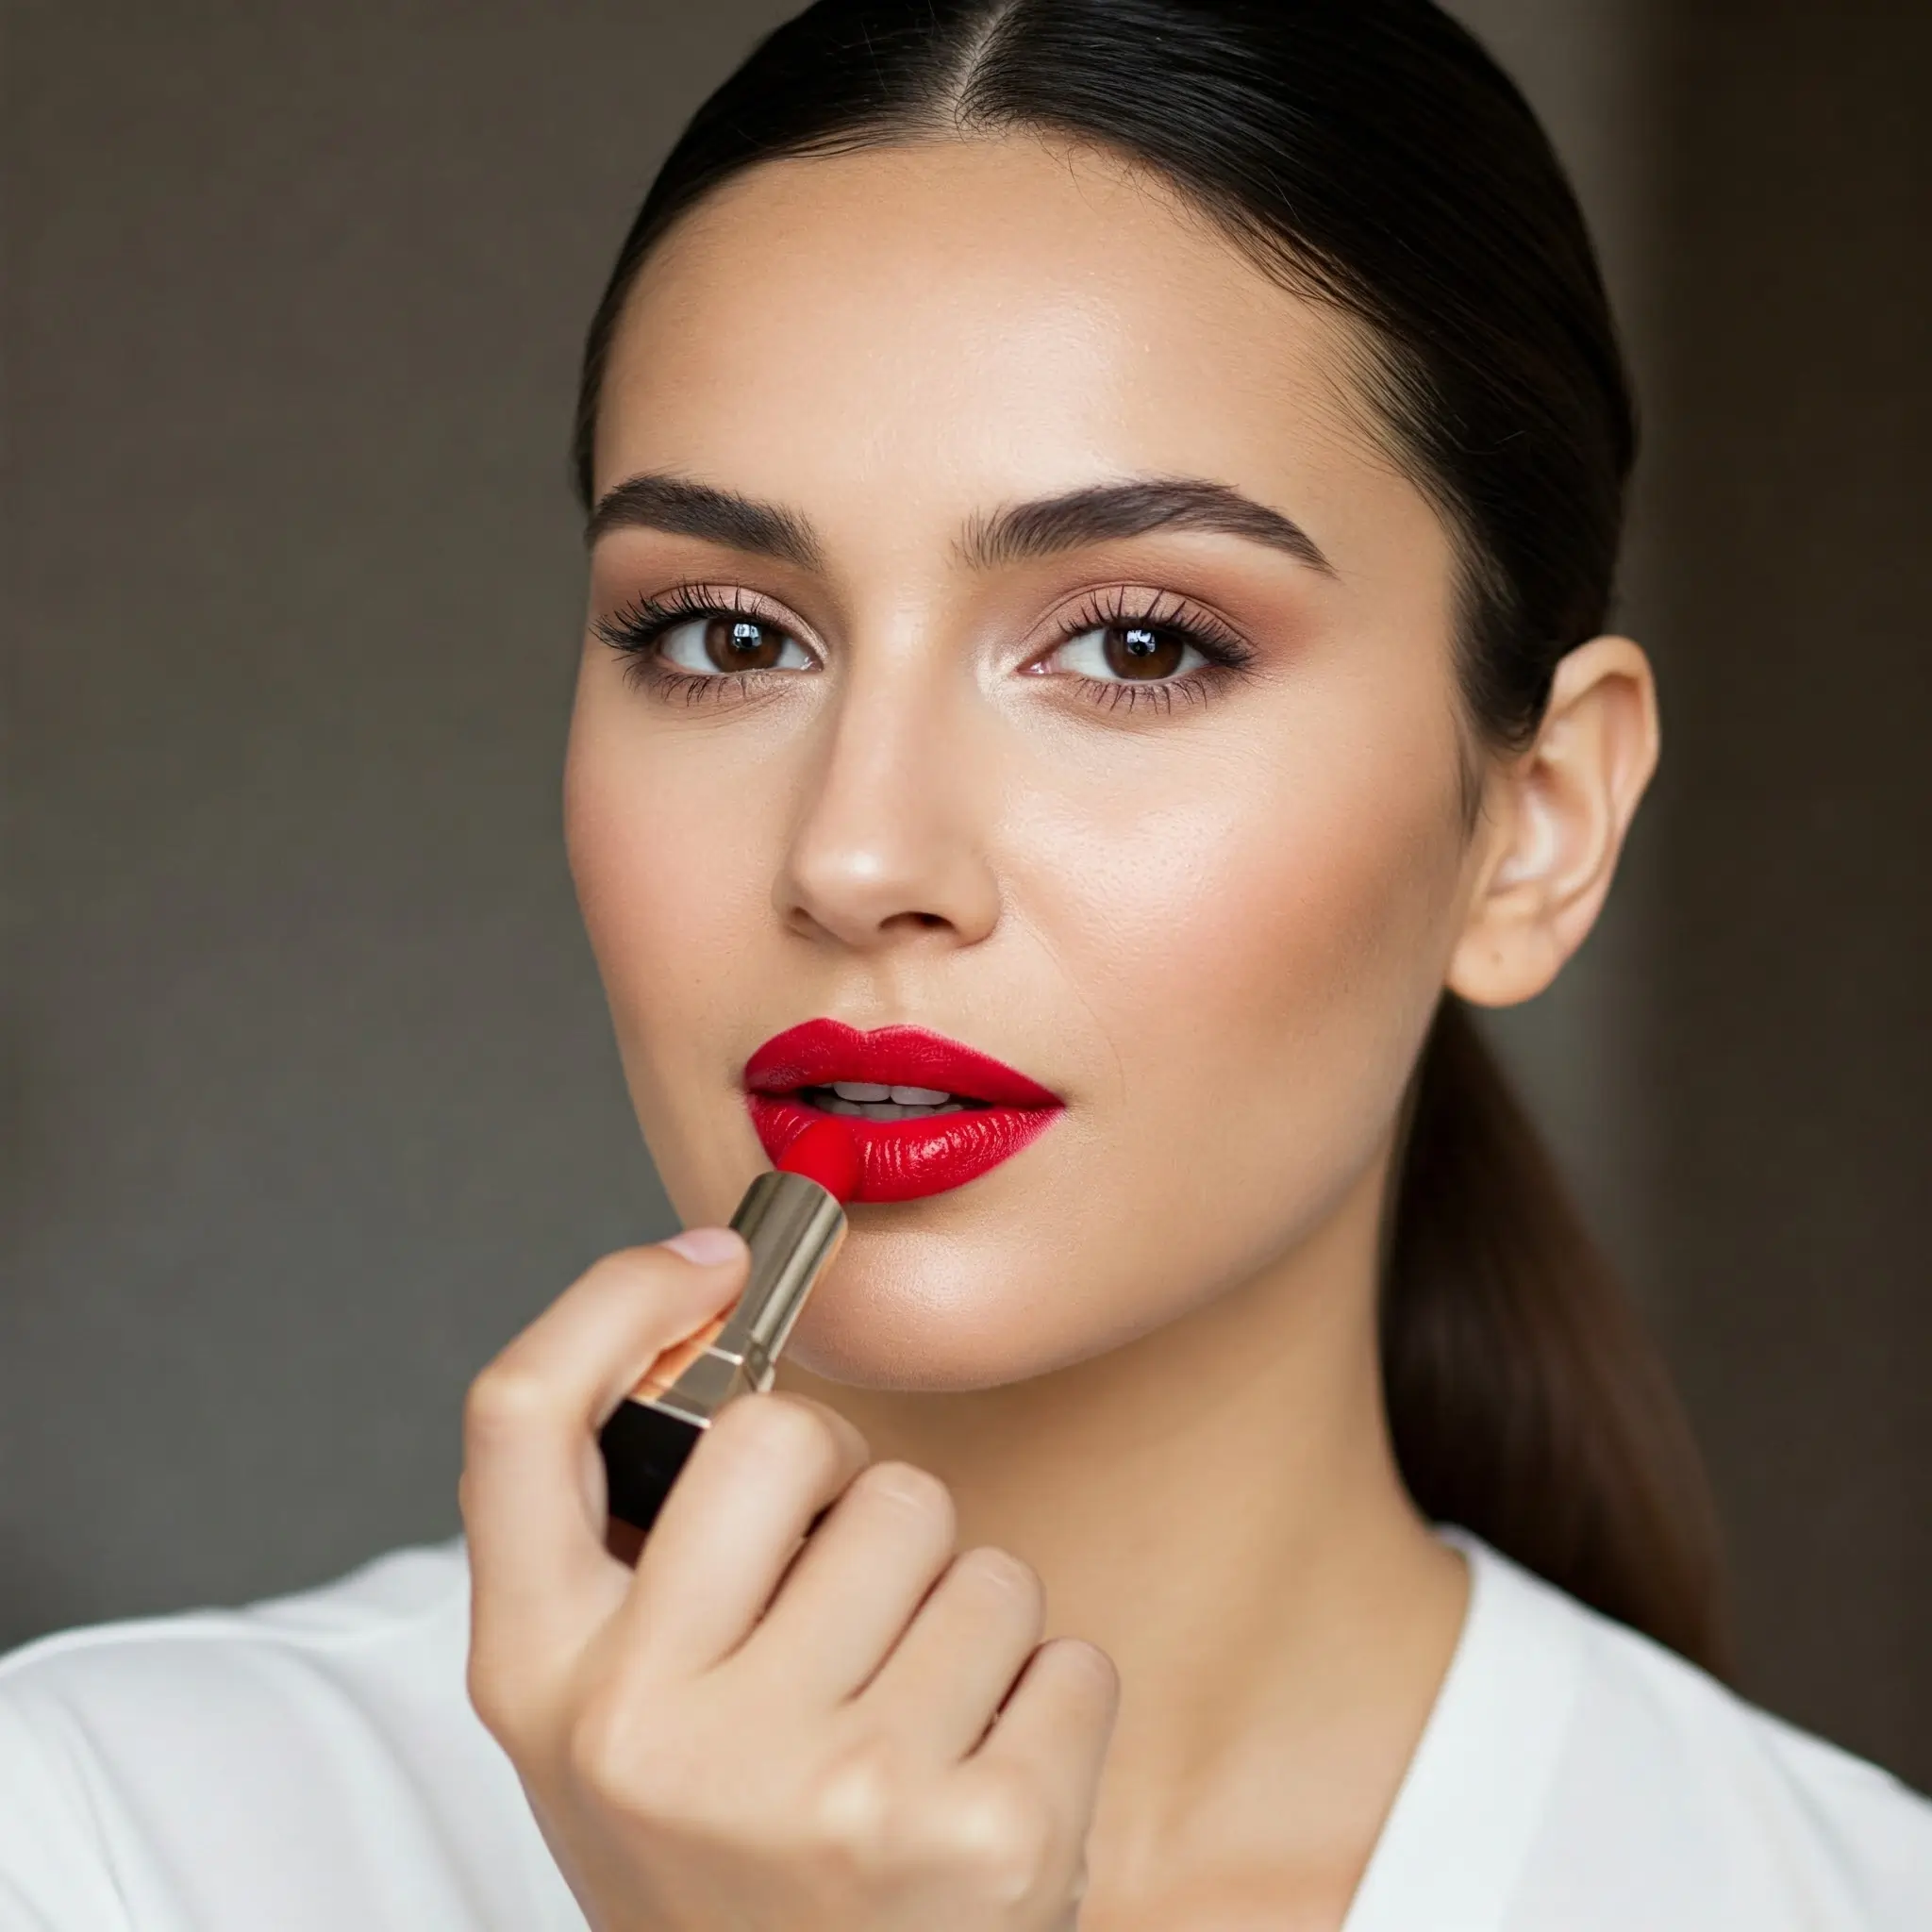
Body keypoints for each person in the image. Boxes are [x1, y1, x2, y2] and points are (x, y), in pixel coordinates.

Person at [2, 2, 1926, 1926]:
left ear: (1539, 824)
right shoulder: (101, 1839)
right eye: (727, 636)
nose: (856, 857)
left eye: (1137, 646)